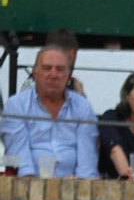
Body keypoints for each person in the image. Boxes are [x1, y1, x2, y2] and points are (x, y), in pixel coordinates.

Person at [0, 47, 98, 180]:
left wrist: (80, 187)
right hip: (27, 186)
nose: (53, 75)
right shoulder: (16, 105)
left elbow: (87, 163)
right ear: (35, 73)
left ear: (68, 75)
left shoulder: (83, 107)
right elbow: (20, 160)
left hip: (73, 187)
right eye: (47, 68)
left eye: (60, 69)